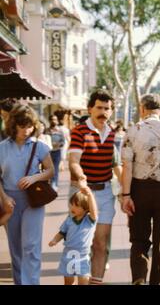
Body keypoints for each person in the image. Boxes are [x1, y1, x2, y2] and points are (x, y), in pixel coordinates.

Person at [121, 93, 160, 285]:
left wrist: (126, 195)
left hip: (138, 188)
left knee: (139, 239)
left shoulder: (133, 131)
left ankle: (139, 279)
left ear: (142, 109)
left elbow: (127, 166)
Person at [0, 105, 54, 285]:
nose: (27, 130)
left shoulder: (40, 146)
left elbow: (50, 170)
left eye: (30, 126)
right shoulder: (2, 148)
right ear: (13, 125)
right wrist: (4, 198)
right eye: (23, 126)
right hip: (10, 201)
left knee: (30, 246)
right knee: (15, 248)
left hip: (33, 200)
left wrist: (34, 178)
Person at [68, 90, 116, 285]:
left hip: (105, 192)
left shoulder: (112, 133)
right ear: (90, 109)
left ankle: (96, 282)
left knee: (100, 243)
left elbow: (116, 164)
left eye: (107, 108)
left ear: (111, 111)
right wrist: (80, 177)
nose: (103, 112)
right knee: (79, 244)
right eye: (99, 107)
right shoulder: (79, 131)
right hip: (82, 193)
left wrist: (123, 193)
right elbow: (73, 161)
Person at [49, 188, 98, 285]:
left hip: (83, 255)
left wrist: (90, 195)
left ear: (85, 208)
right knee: (68, 281)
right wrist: (55, 240)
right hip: (68, 254)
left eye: (77, 205)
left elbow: (94, 212)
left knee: (84, 280)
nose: (73, 207)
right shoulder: (69, 219)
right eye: (72, 204)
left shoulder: (89, 221)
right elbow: (61, 233)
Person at [47, 115, 66, 190]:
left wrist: (58, 144)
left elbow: (63, 141)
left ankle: (54, 184)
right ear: (49, 120)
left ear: (57, 121)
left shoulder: (60, 130)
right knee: (49, 169)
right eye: (52, 119)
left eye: (55, 119)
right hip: (48, 153)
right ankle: (50, 183)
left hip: (57, 152)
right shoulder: (46, 130)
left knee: (55, 169)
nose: (53, 121)